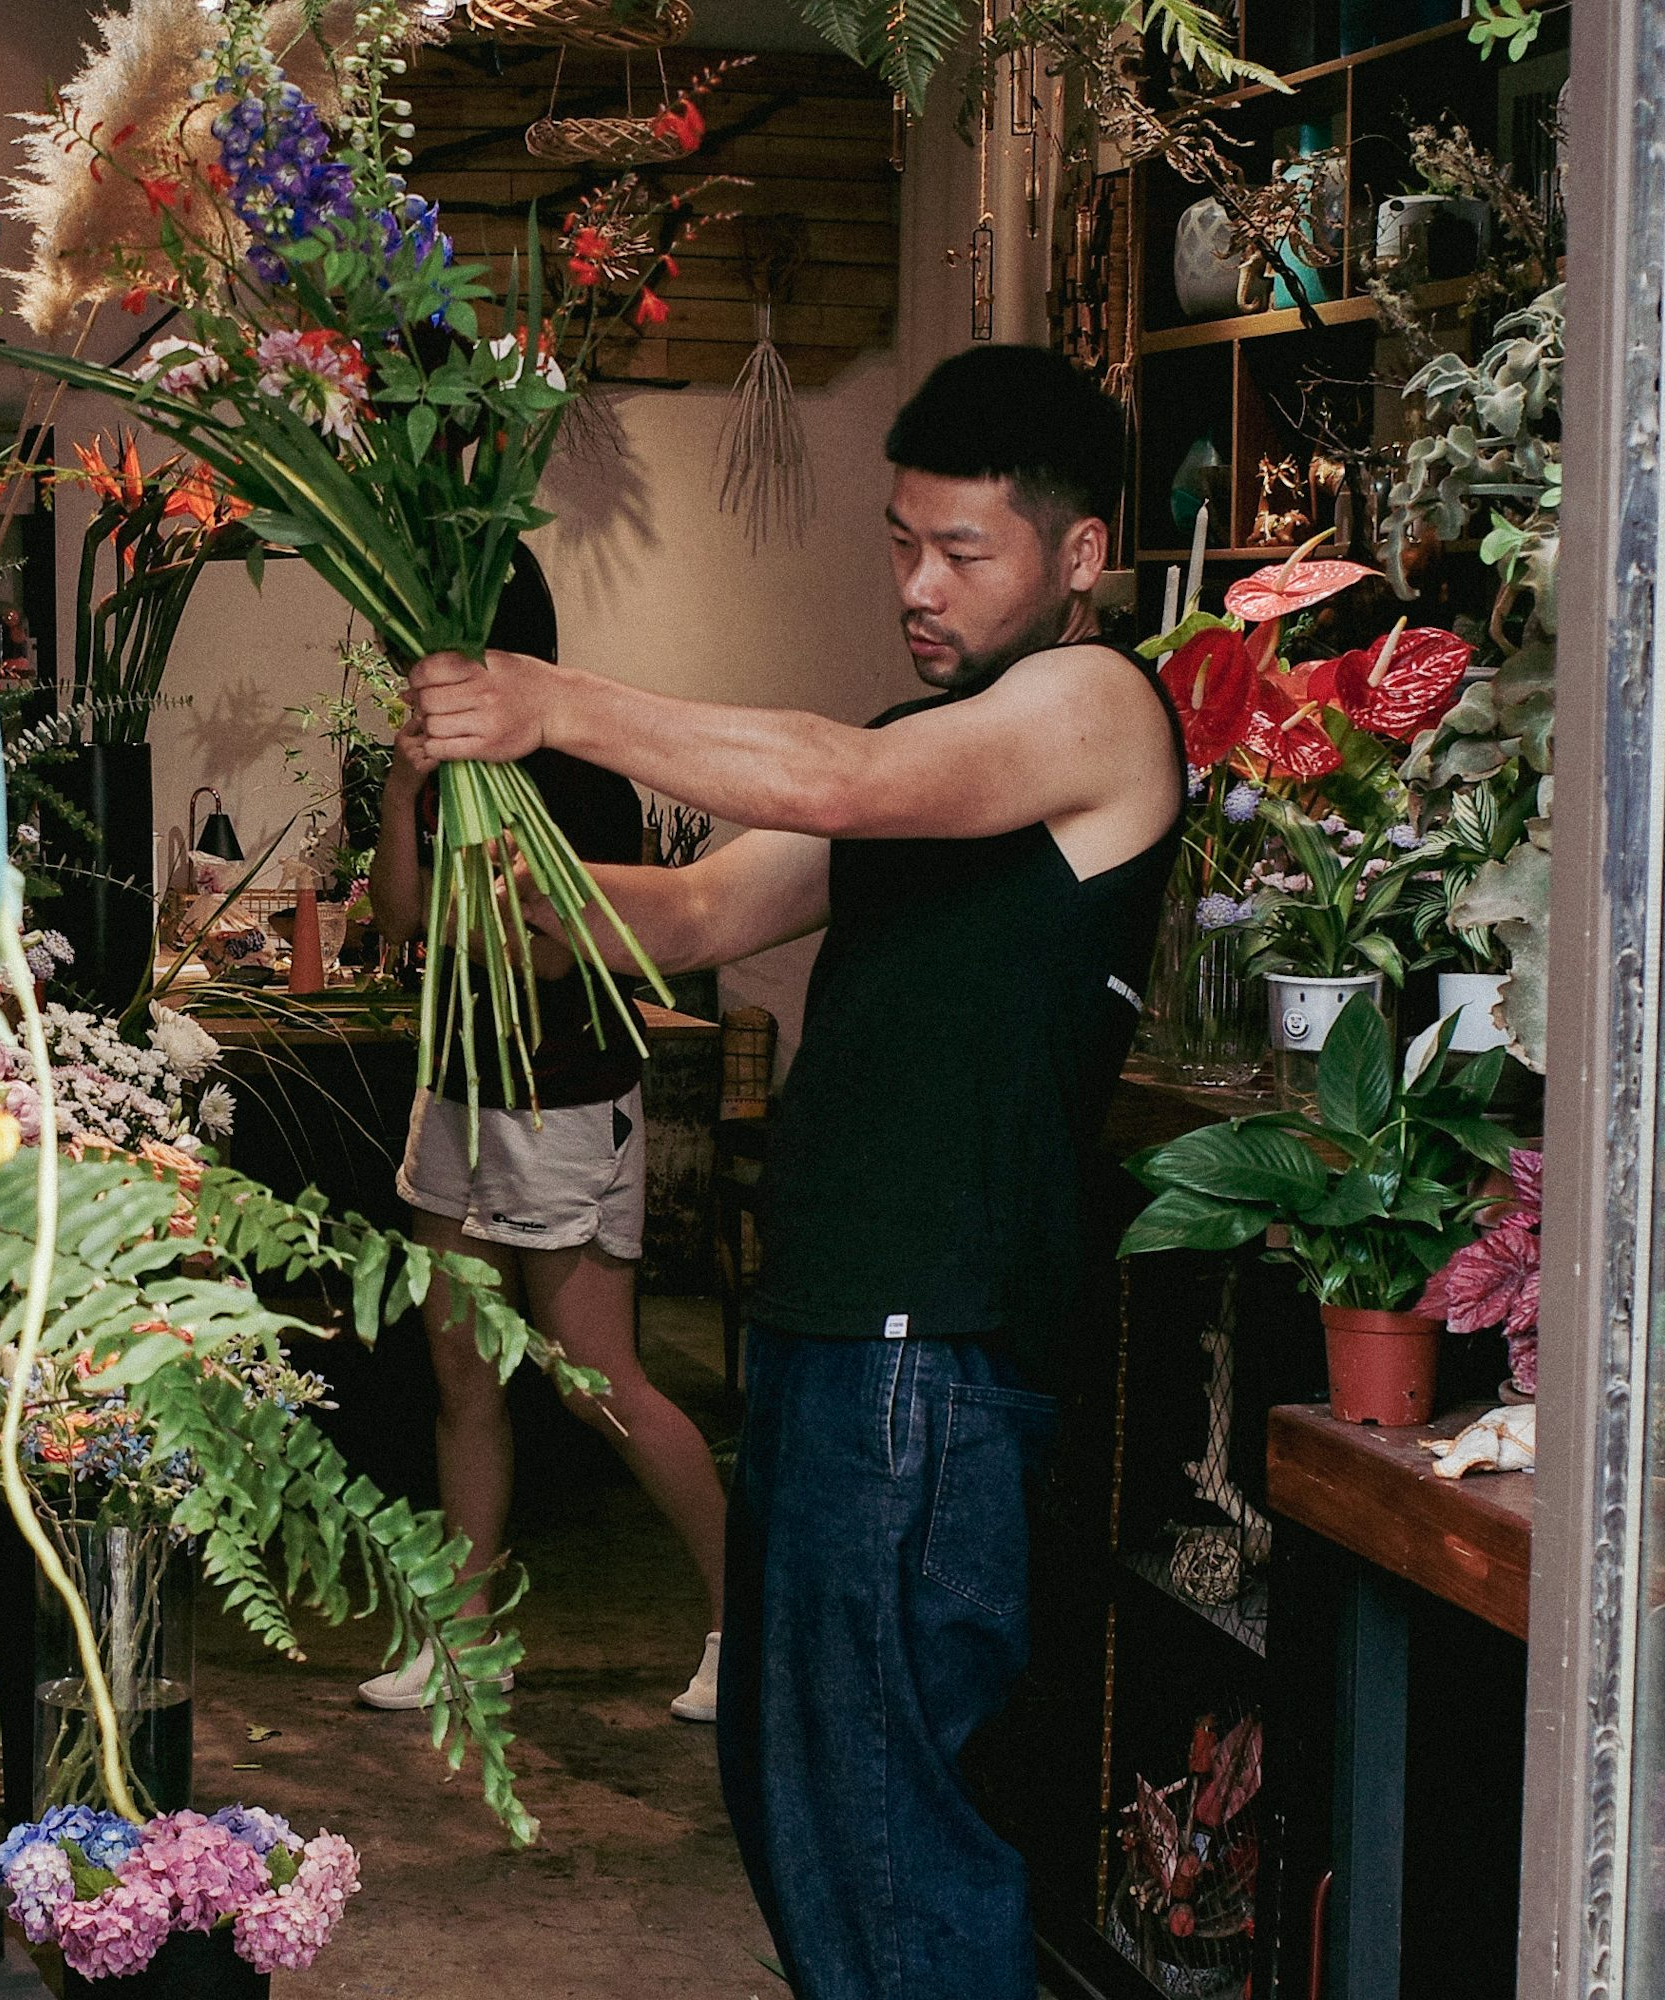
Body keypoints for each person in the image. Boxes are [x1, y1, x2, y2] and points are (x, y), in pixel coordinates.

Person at [401, 345, 1183, 2000]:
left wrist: (555, 698)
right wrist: (491, 829)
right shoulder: (942, 740)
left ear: (1082, 556)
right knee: (801, 1795)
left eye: (961, 553)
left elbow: (844, 776)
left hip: (933, 1355)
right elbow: (686, 917)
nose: (916, 584)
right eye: (900, 541)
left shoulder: (1093, 708)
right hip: (837, 1340)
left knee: (888, 1837)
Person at [361, 542, 730, 1724]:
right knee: (461, 1371)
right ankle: (465, 1637)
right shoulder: (443, 770)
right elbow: (403, 922)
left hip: (564, 1096)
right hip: (457, 1092)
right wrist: (405, 790)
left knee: (595, 1383)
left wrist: (514, 887)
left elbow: (555, 957)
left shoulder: (578, 776)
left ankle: (746, 1621)